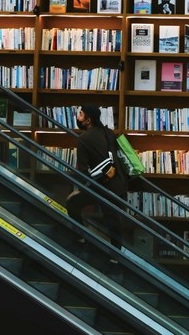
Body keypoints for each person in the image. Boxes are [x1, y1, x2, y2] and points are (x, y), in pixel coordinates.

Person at [65, 104, 128, 260]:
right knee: (113, 221)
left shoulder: (83, 139)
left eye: (80, 114)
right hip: (118, 184)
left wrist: (79, 189)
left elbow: (82, 170)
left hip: (101, 186)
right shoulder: (108, 132)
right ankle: (116, 256)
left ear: (88, 120)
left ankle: (80, 238)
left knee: (72, 203)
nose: (78, 117)